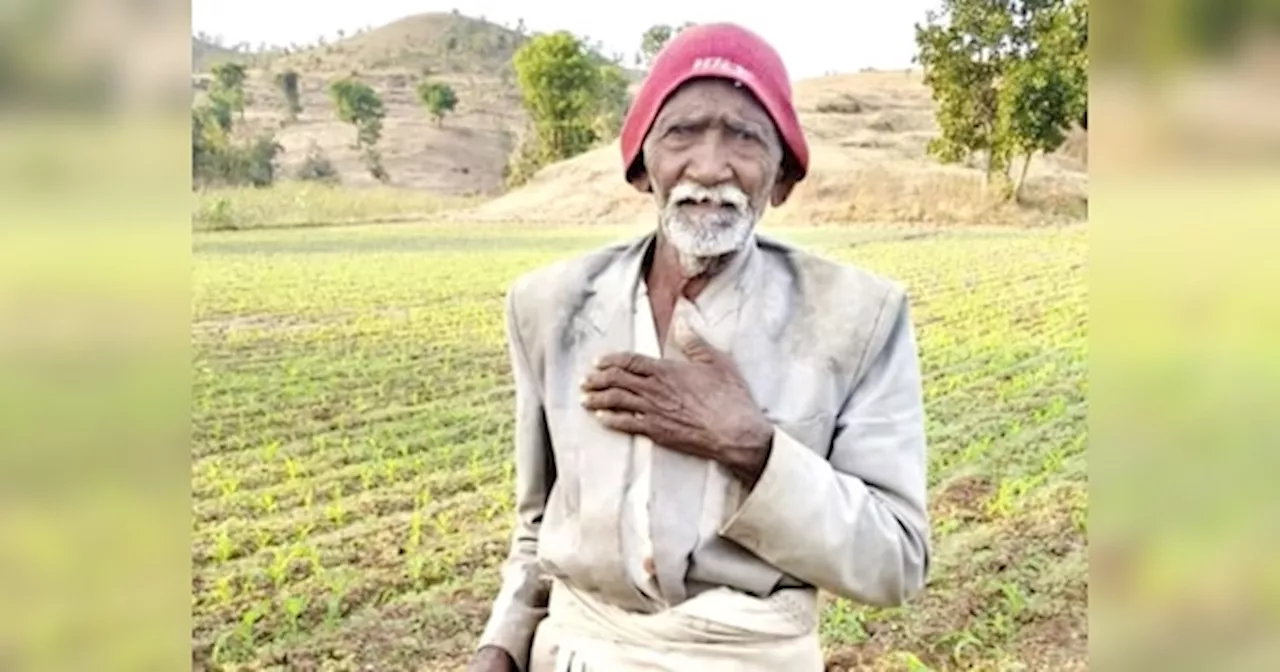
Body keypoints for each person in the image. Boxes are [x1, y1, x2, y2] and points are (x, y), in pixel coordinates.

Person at [468, 22, 930, 672]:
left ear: (783, 177)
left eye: (745, 136)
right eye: (682, 131)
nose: (711, 166)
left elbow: (897, 561)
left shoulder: (857, 318)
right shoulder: (549, 306)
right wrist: (503, 642)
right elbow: (538, 521)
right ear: (640, 165)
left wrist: (751, 446)